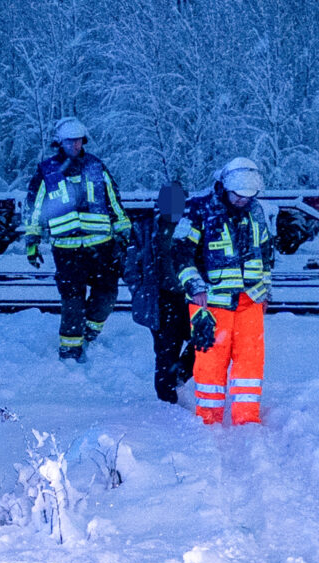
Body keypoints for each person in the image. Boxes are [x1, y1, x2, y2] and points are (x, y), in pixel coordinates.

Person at [20, 118, 133, 363]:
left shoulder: (96, 166)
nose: (75, 145)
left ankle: (90, 332)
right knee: (72, 300)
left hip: (101, 246)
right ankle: (70, 352)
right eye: (70, 140)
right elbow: (35, 208)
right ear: (59, 142)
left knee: (107, 294)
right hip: (67, 249)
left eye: (78, 140)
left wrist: (124, 231)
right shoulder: (47, 171)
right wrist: (32, 239)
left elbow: (114, 201)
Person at [174, 158, 274, 425]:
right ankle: (208, 422)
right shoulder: (198, 208)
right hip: (211, 302)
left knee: (250, 367)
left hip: (251, 299)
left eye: (248, 196)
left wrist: (266, 291)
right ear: (225, 187)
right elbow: (181, 252)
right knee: (210, 366)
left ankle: (247, 421)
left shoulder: (257, 211)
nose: (243, 201)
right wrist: (194, 286)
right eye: (238, 196)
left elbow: (265, 253)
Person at [126, 179, 196, 405]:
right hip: (161, 299)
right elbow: (131, 265)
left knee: (204, 343)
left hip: (191, 298)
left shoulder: (192, 225)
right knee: (166, 352)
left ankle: (180, 375)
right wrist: (138, 289)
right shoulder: (145, 228)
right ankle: (166, 402)